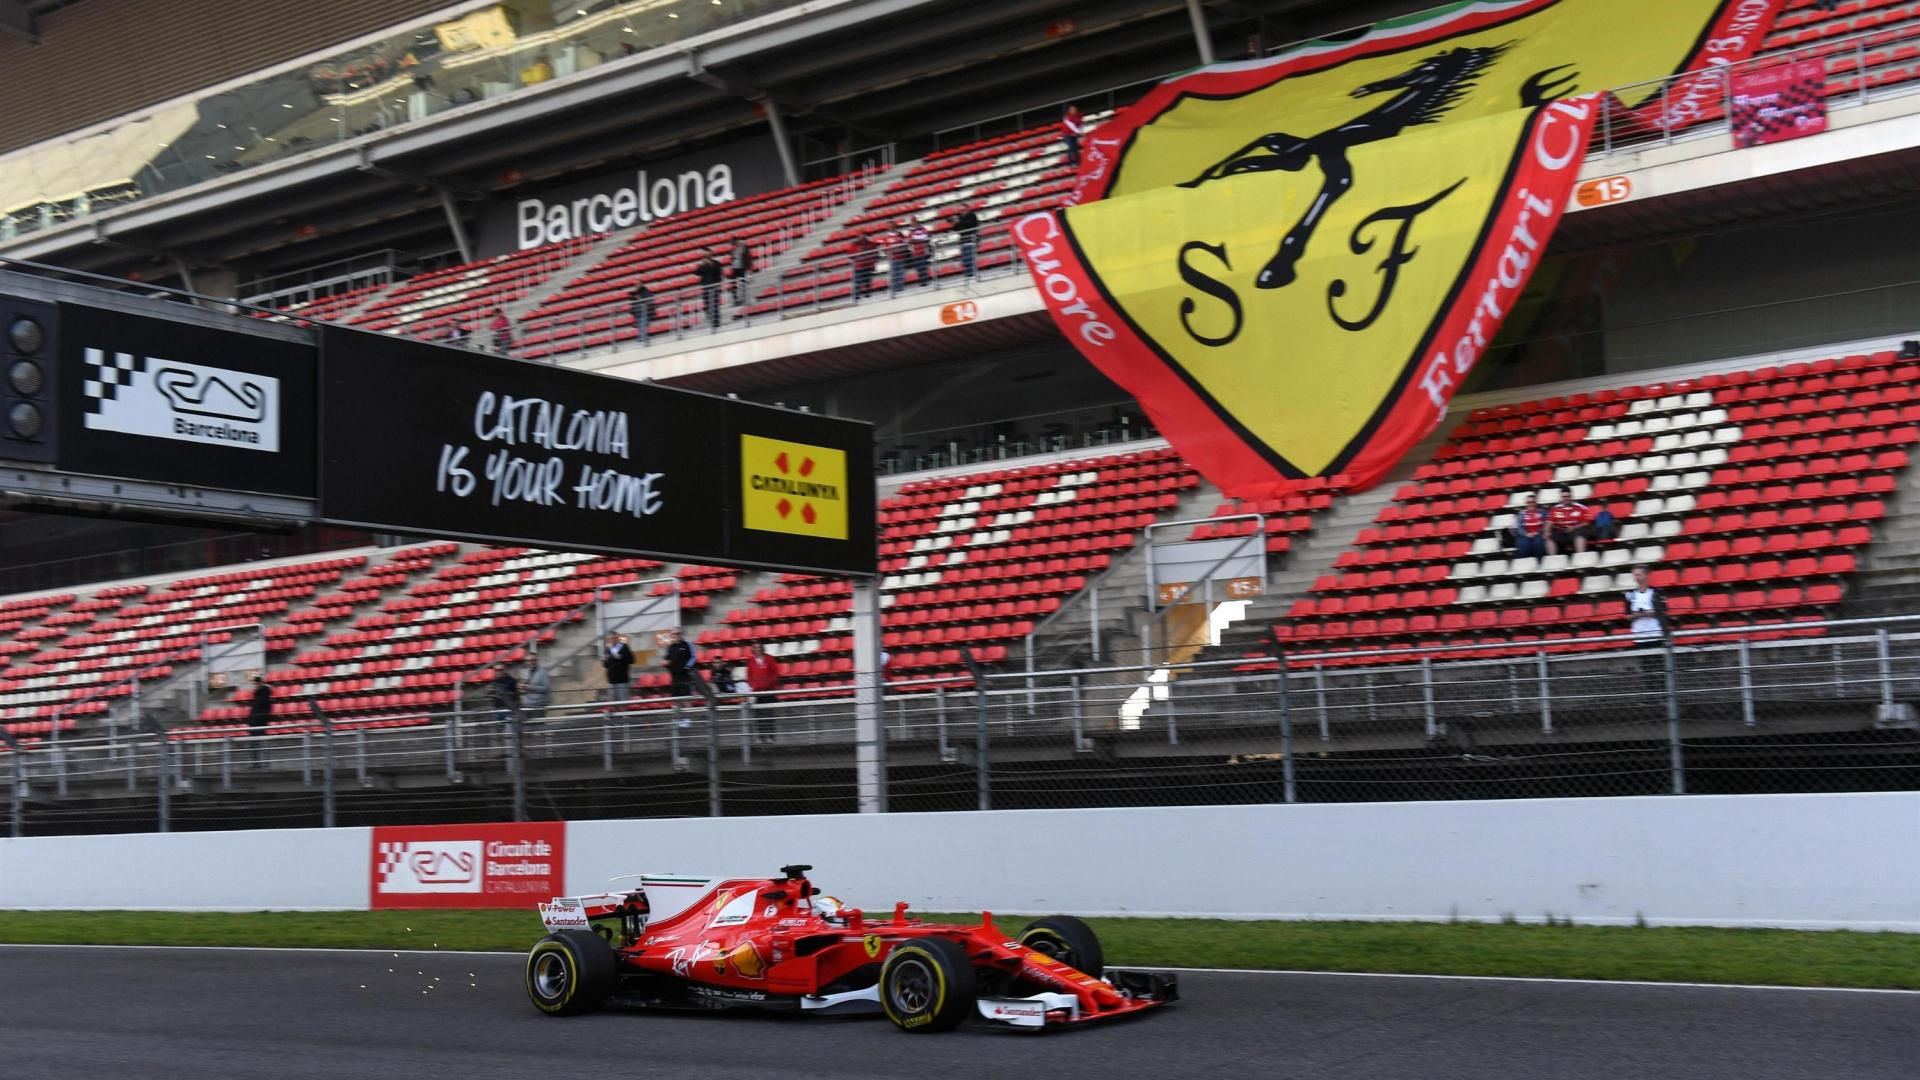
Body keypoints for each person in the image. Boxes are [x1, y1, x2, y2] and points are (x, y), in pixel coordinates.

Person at [1625, 563, 1671, 697]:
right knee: (1646, 667)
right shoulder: (1630, 595)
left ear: (1646, 575)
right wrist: (1638, 615)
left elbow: (1664, 611)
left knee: (1660, 666)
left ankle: (1664, 694)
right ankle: (1651, 695)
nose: (1636, 577)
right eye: (1634, 574)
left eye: (1638, 574)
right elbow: (1627, 616)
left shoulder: (1657, 592)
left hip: (1656, 633)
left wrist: (1653, 613)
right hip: (1640, 635)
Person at [1548, 489, 1593, 555]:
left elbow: (1586, 523)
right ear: (1561, 498)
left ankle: (1581, 556)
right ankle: (1553, 560)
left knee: (1580, 534)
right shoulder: (1554, 509)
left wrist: (1574, 527)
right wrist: (1547, 532)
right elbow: (1549, 522)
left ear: (1571, 496)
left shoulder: (1581, 508)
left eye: (1568, 496)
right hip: (1561, 533)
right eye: (1564, 497)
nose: (1566, 499)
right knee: (1549, 537)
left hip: (1576, 532)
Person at [1508, 492, 1549, 558]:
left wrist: (1538, 532)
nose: (1531, 504)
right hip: (1525, 535)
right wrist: (1526, 534)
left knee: (1538, 543)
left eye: (1532, 502)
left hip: (1539, 534)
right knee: (1524, 544)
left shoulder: (1542, 512)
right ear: (1526, 504)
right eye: (1528, 502)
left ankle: (1539, 563)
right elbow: (1519, 528)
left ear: (1536, 503)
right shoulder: (1521, 514)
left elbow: (1546, 525)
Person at [246, 675, 272, 767]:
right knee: (254, 745)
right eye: (254, 683)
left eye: (256, 683)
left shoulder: (264, 694)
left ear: (260, 683)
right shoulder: (257, 694)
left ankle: (263, 763)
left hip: (260, 723)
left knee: (261, 744)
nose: (255, 685)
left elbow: (266, 710)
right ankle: (257, 763)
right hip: (254, 723)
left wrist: (260, 720)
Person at [602, 632, 634, 704]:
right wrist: (605, 660)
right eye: (610, 639)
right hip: (611, 679)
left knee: (623, 700)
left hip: (622, 678)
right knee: (613, 701)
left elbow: (631, 660)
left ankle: (624, 715)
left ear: (618, 638)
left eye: (614, 638)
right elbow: (606, 665)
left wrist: (620, 657)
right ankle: (616, 714)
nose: (612, 640)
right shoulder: (608, 649)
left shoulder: (624, 647)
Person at [695, 252, 725, 329]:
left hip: (714, 286)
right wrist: (702, 265)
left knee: (715, 304)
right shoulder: (702, 266)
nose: (706, 258)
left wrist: (711, 264)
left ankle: (716, 322)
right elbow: (697, 273)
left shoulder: (716, 263)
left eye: (707, 256)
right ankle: (711, 319)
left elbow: (719, 272)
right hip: (706, 287)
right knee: (707, 304)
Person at [952, 206, 980, 279]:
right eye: (960, 211)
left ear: (968, 209)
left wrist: (960, 222)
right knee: (965, 260)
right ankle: (969, 274)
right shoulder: (960, 218)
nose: (962, 212)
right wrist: (955, 222)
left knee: (969, 258)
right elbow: (956, 229)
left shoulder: (972, 216)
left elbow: (970, 225)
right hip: (963, 241)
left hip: (971, 240)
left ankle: (971, 275)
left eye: (963, 210)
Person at [884, 220, 912, 295]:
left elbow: (905, 245)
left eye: (893, 226)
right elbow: (887, 250)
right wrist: (897, 249)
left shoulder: (900, 235)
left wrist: (896, 249)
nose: (892, 228)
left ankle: (900, 290)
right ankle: (894, 291)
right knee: (894, 276)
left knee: (901, 275)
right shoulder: (886, 237)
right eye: (890, 226)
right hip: (893, 259)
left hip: (902, 258)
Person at [850, 233, 880, 302]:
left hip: (867, 265)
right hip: (858, 266)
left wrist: (873, 262)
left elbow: (875, 253)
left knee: (867, 281)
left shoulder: (870, 244)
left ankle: (867, 294)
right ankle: (856, 296)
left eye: (863, 235)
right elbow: (851, 255)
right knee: (857, 282)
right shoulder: (854, 244)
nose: (862, 236)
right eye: (860, 235)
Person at [523, 654, 551, 720]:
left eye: (532, 660)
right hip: (527, 704)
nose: (530, 662)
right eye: (528, 660)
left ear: (537, 661)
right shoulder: (526, 672)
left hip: (538, 705)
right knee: (528, 727)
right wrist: (523, 686)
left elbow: (546, 689)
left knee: (538, 726)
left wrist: (530, 687)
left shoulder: (543, 672)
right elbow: (526, 686)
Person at [906, 219, 933, 286]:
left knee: (924, 267)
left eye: (914, 223)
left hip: (924, 251)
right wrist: (921, 239)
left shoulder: (924, 229)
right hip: (915, 253)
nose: (913, 224)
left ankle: (925, 281)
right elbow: (910, 241)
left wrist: (916, 240)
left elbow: (927, 238)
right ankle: (922, 282)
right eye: (912, 223)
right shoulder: (911, 232)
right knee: (919, 268)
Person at [1061, 104, 1086, 170]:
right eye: (1072, 110)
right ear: (1069, 110)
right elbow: (1072, 127)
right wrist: (1079, 133)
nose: (1073, 111)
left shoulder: (1079, 115)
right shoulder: (1067, 117)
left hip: (1074, 135)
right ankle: (1070, 164)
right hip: (1067, 134)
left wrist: (1080, 131)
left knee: (1076, 149)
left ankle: (1079, 163)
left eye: (1074, 109)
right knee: (1071, 148)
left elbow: (1081, 125)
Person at [628, 281, 653, 346]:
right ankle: (642, 338)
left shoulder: (645, 291)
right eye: (635, 285)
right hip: (638, 312)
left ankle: (642, 338)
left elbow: (648, 300)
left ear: (640, 284)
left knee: (642, 324)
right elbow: (633, 303)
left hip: (643, 311)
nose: (635, 286)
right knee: (640, 325)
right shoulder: (638, 292)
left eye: (637, 285)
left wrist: (639, 298)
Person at [730, 239, 753, 305]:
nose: (733, 245)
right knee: (733, 284)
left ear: (736, 242)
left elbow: (748, 258)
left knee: (743, 283)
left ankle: (744, 298)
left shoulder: (744, 247)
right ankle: (735, 299)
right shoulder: (733, 249)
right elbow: (732, 259)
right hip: (735, 268)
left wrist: (749, 268)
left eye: (733, 243)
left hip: (742, 268)